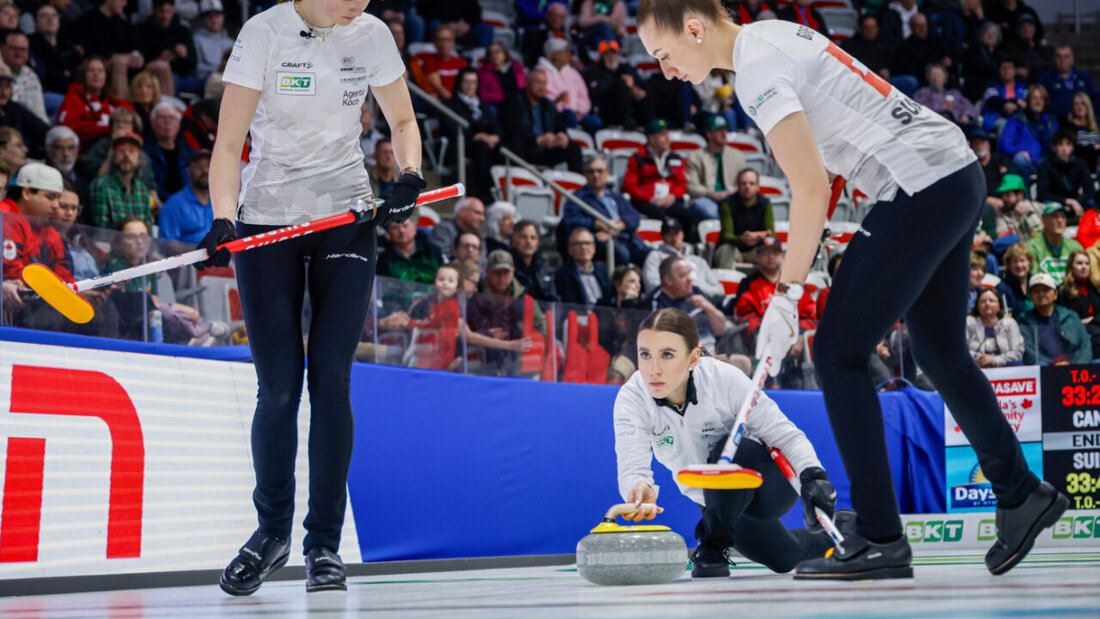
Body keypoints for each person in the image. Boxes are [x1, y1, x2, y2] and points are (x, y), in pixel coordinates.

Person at [635, 0, 1065, 580]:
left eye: (663, 55)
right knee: (940, 350)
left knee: (836, 350)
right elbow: (831, 168)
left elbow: (808, 185)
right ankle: (1019, 492)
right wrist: (811, 263)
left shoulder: (756, 72)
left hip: (917, 185)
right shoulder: (774, 36)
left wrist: (787, 294)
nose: (664, 70)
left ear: (693, 29)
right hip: (954, 174)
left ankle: (881, 537)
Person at [204, 0, 425, 596]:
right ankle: (270, 533)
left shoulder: (372, 34)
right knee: (278, 389)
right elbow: (228, 147)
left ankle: (323, 545)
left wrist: (408, 176)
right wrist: (224, 219)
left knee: (332, 375)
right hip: (268, 219)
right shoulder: (264, 33)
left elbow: (403, 123)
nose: (365, 2)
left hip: (345, 213)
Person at [612, 308, 838, 576]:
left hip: (765, 483)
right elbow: (632, 464)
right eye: (645, 354)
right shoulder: (632, 399)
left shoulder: (724, 379)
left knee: (725, 450)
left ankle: (713, 542)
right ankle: (844, 530)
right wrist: (639, 486)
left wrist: (813, 476)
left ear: (693, 357)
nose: (653, 369)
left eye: (667, 355)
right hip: (715, 502)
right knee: (783, 557)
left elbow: (785, 435)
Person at [733, 236, 817, 378]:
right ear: (758, 256)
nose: (771, 257)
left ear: (782, 256)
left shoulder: (795, 284)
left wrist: (801, 335)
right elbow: (745, 314)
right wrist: (758, 333)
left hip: (791, 345)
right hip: (758, 347)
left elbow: (809, 312)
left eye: (775, 253)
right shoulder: (748, 283)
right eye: (765, 253)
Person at [567, 154, 650, 267]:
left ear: (607, 173)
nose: (596, 175)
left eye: (599, 171)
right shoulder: (577, 198)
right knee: (622, 254)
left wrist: (620, 225)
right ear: (585, 175)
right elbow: (571, 221)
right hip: (601, 240)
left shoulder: (616, 196)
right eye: (591, 171)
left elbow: (634, 216)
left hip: (626, 238)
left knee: (651, 256)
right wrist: (597, 224)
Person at [634, 256, 728, 351]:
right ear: (668, 280)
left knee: (741, 361)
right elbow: (657, 341)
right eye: (683, 276)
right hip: (684, 358)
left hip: (712, 354)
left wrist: (708, 306)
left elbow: (721, 329)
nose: (690, 279)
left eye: (689, 274)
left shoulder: (696, 291)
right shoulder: (655, 302)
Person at [500, 68, 583, 173]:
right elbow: (512, 129)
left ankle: (579, 187)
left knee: (573, 148)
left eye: (544, 83)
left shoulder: (548, 104)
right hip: (525, 149)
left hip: (546, 149)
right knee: (515, 143)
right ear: (528, 83)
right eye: (538, 82)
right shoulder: (514, 101)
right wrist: (536, 140)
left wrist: (563, 136)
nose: (542, 87)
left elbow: (559, 125)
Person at [623, 118, 695, 233]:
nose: (667, 138)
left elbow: (681, 183)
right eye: (662, 135)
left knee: (688, 216)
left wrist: (672, 197)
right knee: (660, 216)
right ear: (651, 138)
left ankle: (686, 246)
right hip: (647, 202)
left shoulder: (676, 157)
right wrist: (650, 198)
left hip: (669, 200)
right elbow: (630, 186)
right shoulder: (637, 158)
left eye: (667, 134)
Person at [442, 67, 501, 203]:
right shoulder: (451, 104)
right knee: (482, 147)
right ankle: (481, 194)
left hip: (484, 143)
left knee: (504, 147)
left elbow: (496, 125)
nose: (470, 86)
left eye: (473, 82)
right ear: (460, 83)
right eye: (466, 82)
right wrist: (475, 136)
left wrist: (495, 137)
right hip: (461, 144)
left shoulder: (482, 105)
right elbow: (451, 128)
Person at [58, 56, 135, 150]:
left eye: (100, 71)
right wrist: (108, 129)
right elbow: (70, 129)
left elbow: (134, 124)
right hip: (86, 151)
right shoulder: (74, 98)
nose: (96, 74)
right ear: (84, 75)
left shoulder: (116, 102)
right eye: (91, 70)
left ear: (106, 76)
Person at [1017, 273, 1092, 365]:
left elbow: (1085, 344)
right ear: (1031, 296)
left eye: (1045, 290)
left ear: (1055, 294)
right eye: (1036, 291)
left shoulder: (1070, 316)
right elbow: (1028, 351)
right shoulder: (1023, 320)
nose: (1041, 294)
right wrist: (1054, 364)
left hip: (1074, 366)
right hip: (1044, 368)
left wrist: (1075, 364)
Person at [685, 114, 746, 223]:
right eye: (718, 130)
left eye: (725, 129)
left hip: (732, 198)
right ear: (709, 134)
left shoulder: (737, 155)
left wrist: (733, 191)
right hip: (706, 199)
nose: (724, 133)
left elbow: (744, 181)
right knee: (710, 209)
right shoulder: (694, 157)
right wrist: (713, 194)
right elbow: (691, 186)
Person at [91, 132, 157, 231]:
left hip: (140, 245)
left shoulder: (143, 189)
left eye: (132, 150)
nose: (126, 154)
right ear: (113, 155)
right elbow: (101, 231)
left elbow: (148, 231)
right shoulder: (102, 186)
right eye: (121, 149)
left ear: (139, 157)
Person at [715, 167, 775, 268]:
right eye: (743, 183)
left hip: (756, 250)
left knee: (773, 251)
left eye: (751, 184)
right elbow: (726, 235)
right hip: (733, 248)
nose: (747, 187)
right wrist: (741, 239)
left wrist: (759, 237)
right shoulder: (726, 203)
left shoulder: (765, 203)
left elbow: (771, 234)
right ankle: (726, 282)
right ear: (738, 186)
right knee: (726, 250)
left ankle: (776, 283)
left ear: (757, 187)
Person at [998, 84, 1058, 180]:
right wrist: (1018, 152)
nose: (1038, 101)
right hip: (1025, 162)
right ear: (1028, 100)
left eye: (1041, 99)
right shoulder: (1017, 119)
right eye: (1035, 98)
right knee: (1020, 159)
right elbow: (1004, 144)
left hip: (1045, 162)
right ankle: (1024, 194)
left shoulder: (1050, 122)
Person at [538, 38, 597, 131]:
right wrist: (557, 102)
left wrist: (580, 111)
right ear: (555, 54)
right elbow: (541, 98)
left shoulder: (573, 73)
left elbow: (584, 97)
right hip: (554, 114)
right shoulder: (540, 72)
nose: (569, 55)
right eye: (565, 51)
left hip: (576, 114)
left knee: (595, 122)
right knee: (569, 116)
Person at [1036, 129, 1096, 221]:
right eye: (1060, 144)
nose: (1064, 148)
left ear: (1072, 147)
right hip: (1056, 202)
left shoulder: (1080, 164)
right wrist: (1067, 201)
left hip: (1076, 202)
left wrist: (1077, 202)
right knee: (1048, 204)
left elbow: (1090, 191)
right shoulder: (1045, 166)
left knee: (1091, 202)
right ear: (1054, 147)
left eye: (1068, 144)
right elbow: (1043, 194)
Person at [158, 149, 212, 245]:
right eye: (200, 166)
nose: (205, 170)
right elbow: (167, 244)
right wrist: (201, 253)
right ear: (189, 170)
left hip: (224, 258)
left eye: (209, 166)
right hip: (189, 259)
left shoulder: (222, 202)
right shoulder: (173, 204)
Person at [145, 102, 195, 200]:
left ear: (178, 124)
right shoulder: (144, 153)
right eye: (162, 117)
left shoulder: (189, 154)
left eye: (172, 118)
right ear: (153, 123)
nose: (167, 122)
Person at [1037, 46, 1100, 120]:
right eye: (1059, 57)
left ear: (1072, 59)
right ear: (1054, 59)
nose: (1063, 60)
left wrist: (1089, 114)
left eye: (1066, 56)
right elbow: (1041, 101)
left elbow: (1097, 97)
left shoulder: (1083, 77)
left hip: (1083, 121)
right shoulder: (1045, 78)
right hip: (1055, 122)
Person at [1028, 202, 1084, 284]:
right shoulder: (1032, 246)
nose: (1060, 220)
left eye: (1063, 217)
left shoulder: (1075, 246)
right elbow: (1034, 278)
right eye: (1055, 217)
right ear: (1044, 221)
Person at [1056, 250, 1100, 353]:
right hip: (1075, 335)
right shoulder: (1063, 291)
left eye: (1087, 263)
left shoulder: (1096, 288)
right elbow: (1062, 321)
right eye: (1079, 263)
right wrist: (1084, 322)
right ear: (1071, 266)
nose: (1084, 267)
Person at [0, 67, 48, 161]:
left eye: (7, 87)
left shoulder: (14, 109)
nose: (3, 92)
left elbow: (42, 131)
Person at [377, 217, 444, 284]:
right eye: (395, 227)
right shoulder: (384, 259)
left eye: (405, 226)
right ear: (388, 233)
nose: (401, 230)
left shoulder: (432, 251)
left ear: (415, 227)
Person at [555, 228, 612, 305]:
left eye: (587, 243)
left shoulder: (602, 271)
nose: (583, 247)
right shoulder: (563, 275)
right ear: (570, 249)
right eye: (578, 243)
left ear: (594, 248)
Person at [2, 31, 48, 124]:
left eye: (23, 49)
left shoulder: (31, 76)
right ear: (2, 48)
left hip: (26, 125)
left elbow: (39, 113)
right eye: (14, 48)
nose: (18, 53)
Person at [411, 24, 466, 99]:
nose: (444, 44)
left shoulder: (462, 63)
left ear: (453, 42)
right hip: (441, 102)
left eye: (448, 40)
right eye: (441, 40)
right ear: (435, 42)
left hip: (461, 100)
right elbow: (438, 88)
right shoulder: (428, 61)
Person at [510, 219, 558, 302]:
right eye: (523, 237)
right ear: (514, 242)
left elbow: (554, 300)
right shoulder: (508, 267)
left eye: (533, 238)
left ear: (537, 244)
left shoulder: (545, 269)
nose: (528, 242)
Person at [841, 14, 894, 82]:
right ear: (860, 29)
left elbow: (893, 65)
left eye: (873, 27)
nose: (870, 31)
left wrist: (888, 70)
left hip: (883, 82)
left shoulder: (886, 43)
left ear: (878, 28)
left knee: (908, 81)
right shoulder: (850, 45)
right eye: (867, 28)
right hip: (859, 80)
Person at [193, 0, 234, 79]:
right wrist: (218, 69)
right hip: (207, 80)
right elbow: (197, 68)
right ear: (203, 19)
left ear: (223, 17)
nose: (213, 19)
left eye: (217, 15)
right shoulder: (197, 39)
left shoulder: (231, 42)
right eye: (209, 16)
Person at [478, 42, 526, 109]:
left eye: (497, 51)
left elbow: (524, 88)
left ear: (505, 53)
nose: (493, 55)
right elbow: (483, 95)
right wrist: (502, 99)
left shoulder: (517, 69)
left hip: (519, 103)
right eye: (490, 53)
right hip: (498, 105)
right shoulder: (483, 73)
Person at [996, 241, 1035, 317]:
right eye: (1015, 261)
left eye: (1022, 261)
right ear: (1009, 264)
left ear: (1029, 263)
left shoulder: (1036, 283)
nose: (1019, 265)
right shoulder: (1002, 287)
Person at [1062, 92, 1099, 173]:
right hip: (1078, 163)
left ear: (1087, 106)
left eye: (1083, 104)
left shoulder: (1095, 125)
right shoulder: (1068, 126)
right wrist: (1093, 145)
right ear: (1073, 107)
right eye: (1076, 104)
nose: (1080, 107)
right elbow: (1074, 145)